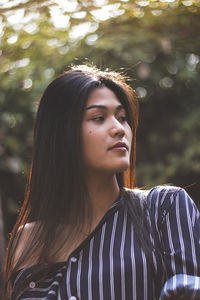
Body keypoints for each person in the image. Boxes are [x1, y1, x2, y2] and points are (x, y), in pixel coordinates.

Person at [3, 65, 200, 300]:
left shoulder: (164, 210)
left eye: (122, 118)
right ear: (61, 133)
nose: (119, 129)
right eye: (98, 118)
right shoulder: (27, 241)